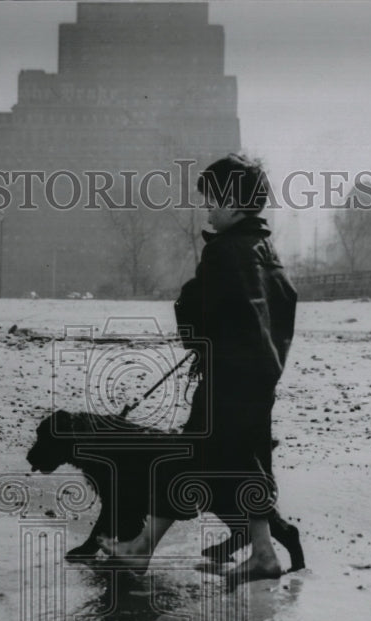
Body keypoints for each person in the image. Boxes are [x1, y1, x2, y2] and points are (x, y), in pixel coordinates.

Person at [97, 154, 298, 581]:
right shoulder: (265, 249)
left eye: (212, 199)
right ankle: (259, 553)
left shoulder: (225, 251)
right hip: (258, 381)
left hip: (227, 381)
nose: (206, 208)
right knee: (244, 465)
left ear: (234, 203)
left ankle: (141, 549)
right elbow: (278, 305)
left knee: (192, 460)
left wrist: (196, 321)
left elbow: (201, 311)